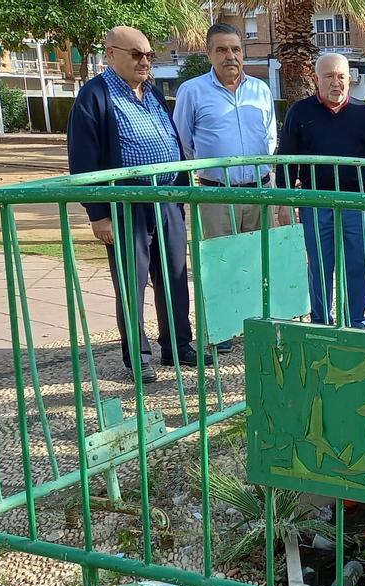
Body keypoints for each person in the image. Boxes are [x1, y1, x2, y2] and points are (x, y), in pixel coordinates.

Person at [67, 26, 210, 384]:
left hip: (165, 202)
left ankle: (178, 345)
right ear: (110, 53)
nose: (145, 61)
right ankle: (138, 357)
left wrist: (179, 195)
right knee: (132, 284)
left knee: (175, 277)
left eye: (149, 55)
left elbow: (171, 142)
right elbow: (83, 159)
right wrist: (97, 213)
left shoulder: (153, 93)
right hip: (125, 205)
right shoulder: (94, 96)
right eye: (136, 55)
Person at [277, 53, 365, 329]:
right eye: (329, 76)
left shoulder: (363, 114)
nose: (336, 83)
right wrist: (284, 201)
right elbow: (286, 159)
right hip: (315, 201)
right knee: (320, 265)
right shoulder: (299, 113)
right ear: (316, 79)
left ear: (349, 79)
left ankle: (356, 320)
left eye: (341, 76)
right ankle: (321, 321)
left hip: (357, 202)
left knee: (359, 263)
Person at [173, 23, 283, 241]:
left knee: (260, 264)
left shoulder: (260, 89)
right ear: (209, 54)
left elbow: (269, 137)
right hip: (217, 197)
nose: (230, 56)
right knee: (220, 266)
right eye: (222, 50)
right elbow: (182, 142)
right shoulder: (192, 91)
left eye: (236, 49)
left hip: (259, 192)